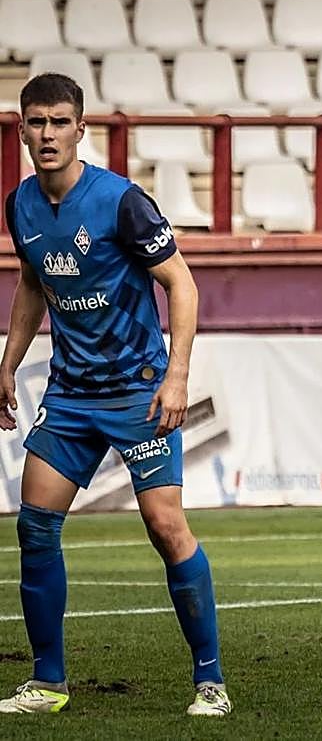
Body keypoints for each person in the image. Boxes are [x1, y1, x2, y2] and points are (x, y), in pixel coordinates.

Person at [0, 74, 229, 716]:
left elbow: (181, 286)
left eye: (59, 122)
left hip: (139, 392)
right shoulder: (19, 205)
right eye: (36, 123)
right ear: (22, 130)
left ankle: (209, 681)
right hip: (71, 395)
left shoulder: (122, 202)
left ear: (81, 129)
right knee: (35, 525)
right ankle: (48, 682)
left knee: (165, 526)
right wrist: (8, 362)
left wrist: (177, 374)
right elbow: (30, 285)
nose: (47, 134)